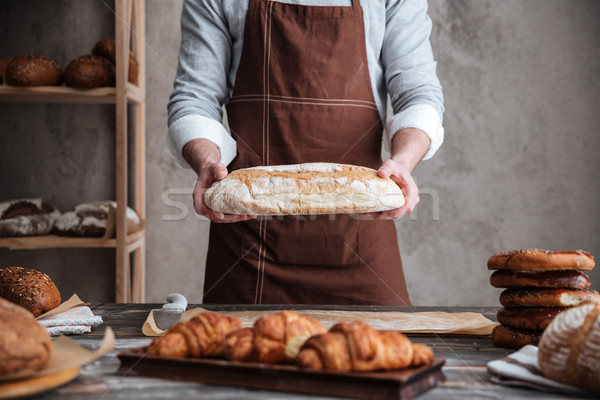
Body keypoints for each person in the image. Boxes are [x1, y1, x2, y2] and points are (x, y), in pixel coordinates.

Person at [165, 0, 444, 305]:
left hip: (363, 241)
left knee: (379, 353)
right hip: (247, 251)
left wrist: (403, 161)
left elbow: (418, 94)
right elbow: (194, 97)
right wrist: (207, 161)